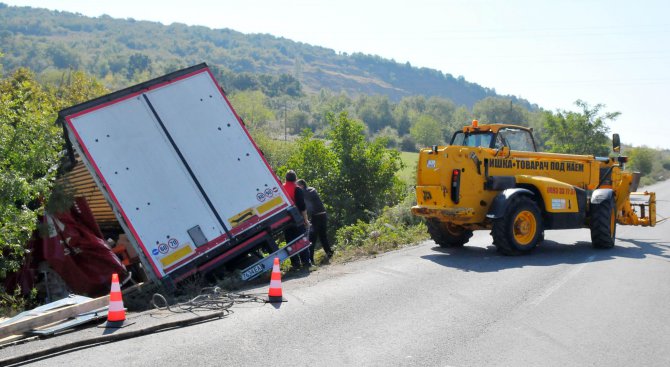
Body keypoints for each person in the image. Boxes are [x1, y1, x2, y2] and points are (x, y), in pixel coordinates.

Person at [296, 179, 334, 263]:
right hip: (323, 214)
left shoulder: (304, 192)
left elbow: (303, 206)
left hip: (316, 217)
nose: (296, 188)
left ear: (301, 185)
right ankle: (329, 253)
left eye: (297, 186)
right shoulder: (312, 189)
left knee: (312, 238)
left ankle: (310, 260)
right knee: (323, 236)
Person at [282, 170, 311, 270]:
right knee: (302, 240)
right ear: (296, 179)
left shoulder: (281, 188)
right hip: (296, 220)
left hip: (284, 221)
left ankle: (295, 264)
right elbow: (302, 207)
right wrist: (306, 220)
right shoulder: (297, 189)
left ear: (285, 179)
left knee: (290, 242)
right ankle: (306, 263)